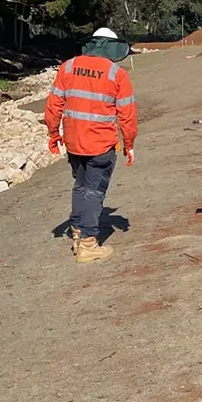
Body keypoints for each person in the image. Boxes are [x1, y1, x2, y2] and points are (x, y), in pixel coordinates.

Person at [45, 27, 137, 263]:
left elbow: (54, 106)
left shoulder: (67, 67)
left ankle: (77, 230)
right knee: (94, 191)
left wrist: (54, 134)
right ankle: (88, 243)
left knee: (80, 186)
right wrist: (129, 144)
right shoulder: (116, 74)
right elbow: (127, 115)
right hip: (101, 143)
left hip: (74, 141)